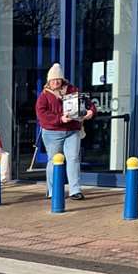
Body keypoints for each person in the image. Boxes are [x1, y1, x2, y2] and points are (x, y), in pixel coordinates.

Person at [35, 62, 92, 199]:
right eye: (53, 79)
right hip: (52, 133)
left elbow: (88, 104)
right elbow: (42, 115)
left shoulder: (73, 91)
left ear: (62, 79)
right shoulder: (44, 96)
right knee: (54, 160)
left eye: (58, 79)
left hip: (72, 131)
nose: (55, 82)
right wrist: (60, 119)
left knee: (73, 159)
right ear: (49, 81)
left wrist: (90, 112)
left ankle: (75, 190)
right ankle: (52, 191)